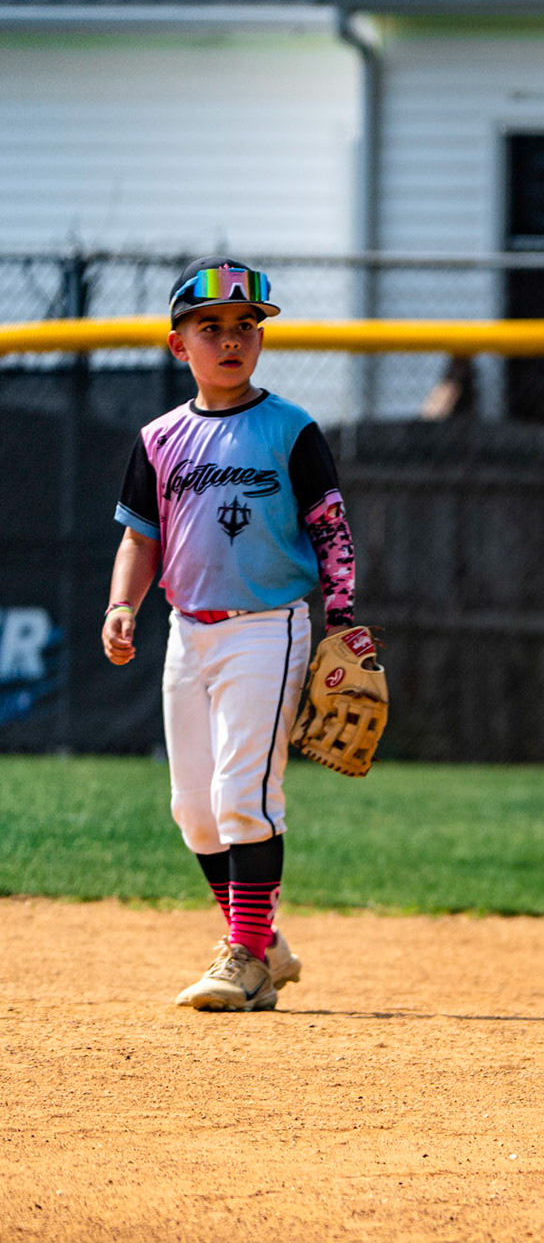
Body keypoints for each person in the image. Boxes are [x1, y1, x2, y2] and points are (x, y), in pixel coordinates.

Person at [101, 256, 362, 1012]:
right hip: (189, 632)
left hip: (267, 628)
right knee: (195, 809)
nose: (230, 340)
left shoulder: (290, 430)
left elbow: (332, 530)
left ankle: (245, 957)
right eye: (209, 327)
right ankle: (263, 942)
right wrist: (122, 607)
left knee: (243, 794)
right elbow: (140, 539)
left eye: (245, 327)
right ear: (178, 345)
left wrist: (343, 626)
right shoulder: (158, 438)